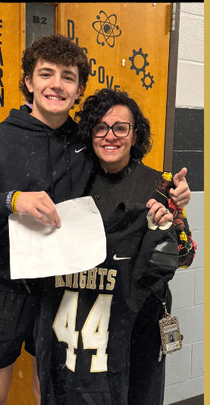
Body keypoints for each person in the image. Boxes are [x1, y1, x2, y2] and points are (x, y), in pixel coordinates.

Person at [0, 34, 191, 405]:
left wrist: (171, 194)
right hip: (2, 289)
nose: (56, 84)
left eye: (68, 76)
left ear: (79, 89)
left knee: (51, 387)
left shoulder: (85, 143)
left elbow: (125, 171)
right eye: (46, 74)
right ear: (29, 82)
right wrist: (10, 201)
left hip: (60, 291)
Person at [74, 88, 195, 405]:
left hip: (142, 317)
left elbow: (186, 255)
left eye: (120, 127)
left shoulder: (161, 183)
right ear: (91, 133)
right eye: (100, 127)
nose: (109, 136)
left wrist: (169, 224)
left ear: (134, 132)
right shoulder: (75, 183)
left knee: (140, 396)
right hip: (88, 317)